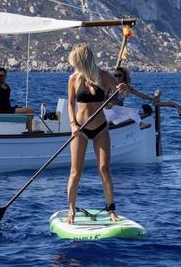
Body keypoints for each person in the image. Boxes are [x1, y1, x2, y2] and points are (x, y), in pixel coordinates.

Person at [66, 43, 126, 225]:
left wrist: (122, 89)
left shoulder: (103, 76)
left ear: (83, 60)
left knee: (104, 170)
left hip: (100, 128)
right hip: (80, 129)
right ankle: (71, 210)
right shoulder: (74, 79)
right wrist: (73, 125)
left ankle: (111, 210)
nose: (74, 65)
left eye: (76, 61)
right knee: (75, 172)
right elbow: (70, 105)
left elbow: (121, 92)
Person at [108, 67, 181, 128]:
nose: (117, 77)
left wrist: (152, 99)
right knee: (133, 112)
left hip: (118, 110)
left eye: (119, 75)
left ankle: (141, 123)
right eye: (115, 75)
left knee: (134, 112)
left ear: (123, 76)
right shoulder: (109, 85)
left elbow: (140, 95)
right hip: (109, 109)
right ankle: (140, 123)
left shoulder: (126, 87)